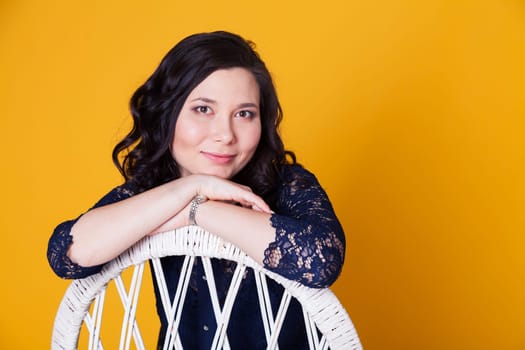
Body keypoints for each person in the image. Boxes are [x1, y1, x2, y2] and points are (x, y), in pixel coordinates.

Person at [48, 31, 345, 349]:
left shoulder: (286, 183)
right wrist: (191, 187)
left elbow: (320, 262)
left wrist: (196, 210)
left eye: (244, 114)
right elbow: (68, 255)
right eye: (203, 109)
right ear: (168, 113)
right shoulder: (154, 189)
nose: (225, 134)